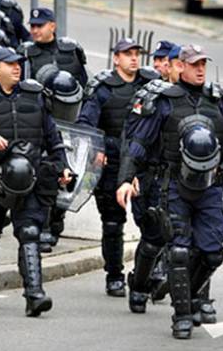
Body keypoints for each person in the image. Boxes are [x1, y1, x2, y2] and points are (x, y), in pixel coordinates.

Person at [116, 45, 223, 339]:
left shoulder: (216, 100)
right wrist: (126, 179)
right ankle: (182, 314)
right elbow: (138, 143)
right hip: (173, 185)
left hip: (210, 187)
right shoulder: (164, 101)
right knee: (178, 251)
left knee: (213, 253)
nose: (200, 69)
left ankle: (192, 293)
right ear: (179, 67)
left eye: (203, 64)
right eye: (194, 64)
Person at [0, 47, 73, 315]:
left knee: (30, 232)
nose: (17, 67)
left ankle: (34, 294)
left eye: (18, 63)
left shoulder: (35, 95)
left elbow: (53, 136)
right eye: (10, 64)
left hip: (30, 174)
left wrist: (64, 166)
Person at [75, 37, 160, 297]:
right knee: (113, 223)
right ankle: (114, 275)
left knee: (153, 221)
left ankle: (150, 272)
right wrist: (97, 150)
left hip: (143, 166)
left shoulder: (150, 86)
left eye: (136, 53)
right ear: (116, 58)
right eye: (128, 54)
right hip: (112, 163)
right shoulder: (103, 88)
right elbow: (85, 124)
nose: (134, 58)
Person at [18, 7, 88, 86]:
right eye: (32, 26)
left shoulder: (71, 50)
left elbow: (84, 81)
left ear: (52, 26)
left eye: (40, 26)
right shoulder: (26, 54)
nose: (35, 31)